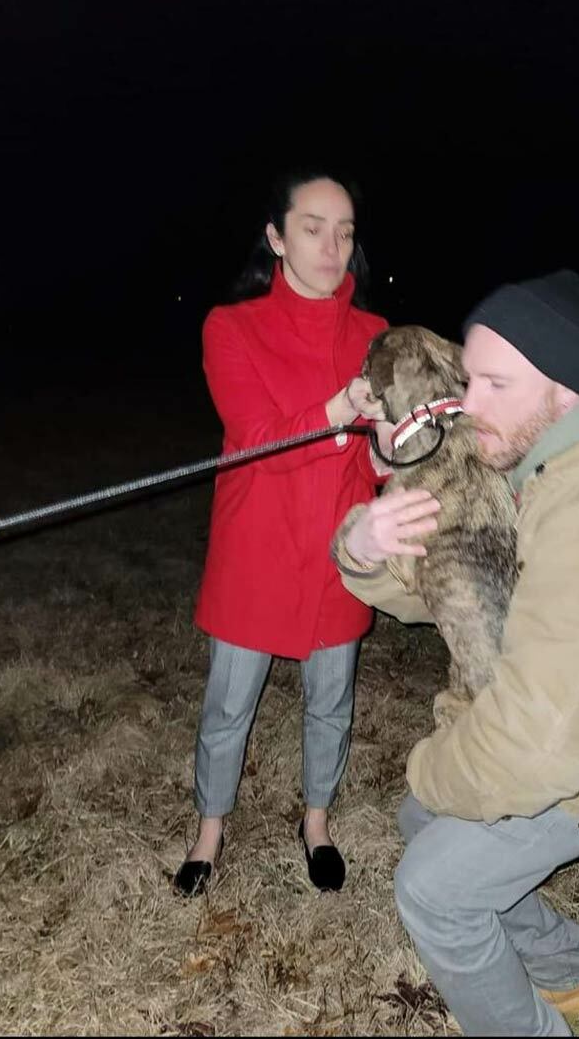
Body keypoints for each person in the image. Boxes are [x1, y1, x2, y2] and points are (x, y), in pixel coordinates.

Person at [332, 270, 579, 1035]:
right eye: (469, 378)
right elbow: (456, 588)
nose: (465, 405)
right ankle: (565, 970)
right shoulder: (539, 457)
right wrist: (364, 548)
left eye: (496, 385)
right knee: (427, 817)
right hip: (562, 707)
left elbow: (545, 749)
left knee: (434, 887)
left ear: (564, 391)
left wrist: (431, 766)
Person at [173, 169, 389, 898]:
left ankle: (318, 821)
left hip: (339, 549)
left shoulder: (375, 336)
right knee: (229, 702)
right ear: (275, 237)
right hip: (258, 547)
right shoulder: (230, 327)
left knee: (331, 697)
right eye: (313, 228)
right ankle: (209, 830)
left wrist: (399, 445)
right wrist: (340, 407)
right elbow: (258, 437)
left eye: (346, 232)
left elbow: (382, 458)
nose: (333, 247)